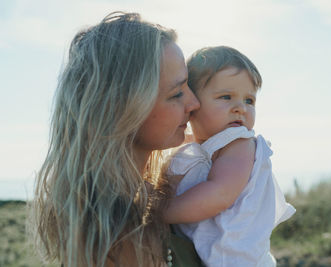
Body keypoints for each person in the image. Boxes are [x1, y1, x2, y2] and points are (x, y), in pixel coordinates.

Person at [30, 12, 203, 267]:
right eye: (177, 93)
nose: (194, 103)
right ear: (124, 108)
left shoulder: (151, 199)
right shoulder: (111, 239)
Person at [163, 46, 296, 266]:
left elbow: (220, 194)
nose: (240, 108)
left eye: (249, 101)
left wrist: (158, 213)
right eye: (226, 97)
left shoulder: (239, 143)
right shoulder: (194, 147)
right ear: (193, 102)